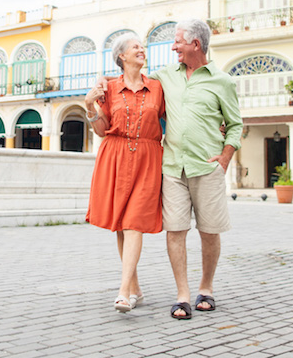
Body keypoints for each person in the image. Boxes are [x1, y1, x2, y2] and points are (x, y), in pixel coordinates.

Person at [149, 19, 242, 319]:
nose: (173, 46)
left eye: (177, 41)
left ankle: (206, 288)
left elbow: (236, 124)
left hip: (207, 167)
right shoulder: (164, 77)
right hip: (173, 167)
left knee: (209, 232)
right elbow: (138, 86)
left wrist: (226, 157)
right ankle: (183, 294)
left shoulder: (222, 81)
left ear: (195, 45)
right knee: (175, 230)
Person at [84, 34, 164, 313]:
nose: (142, 50)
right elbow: (100, 129)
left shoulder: (157, 87)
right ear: (122, 56)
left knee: (134, 221)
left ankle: (122, 291)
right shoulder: (108, 89)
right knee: (121, 223)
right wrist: (88, 106)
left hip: (148, 156)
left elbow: (173, 117)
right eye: (135, 47)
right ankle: (136, 288)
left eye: (142, 47)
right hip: (115, 154)